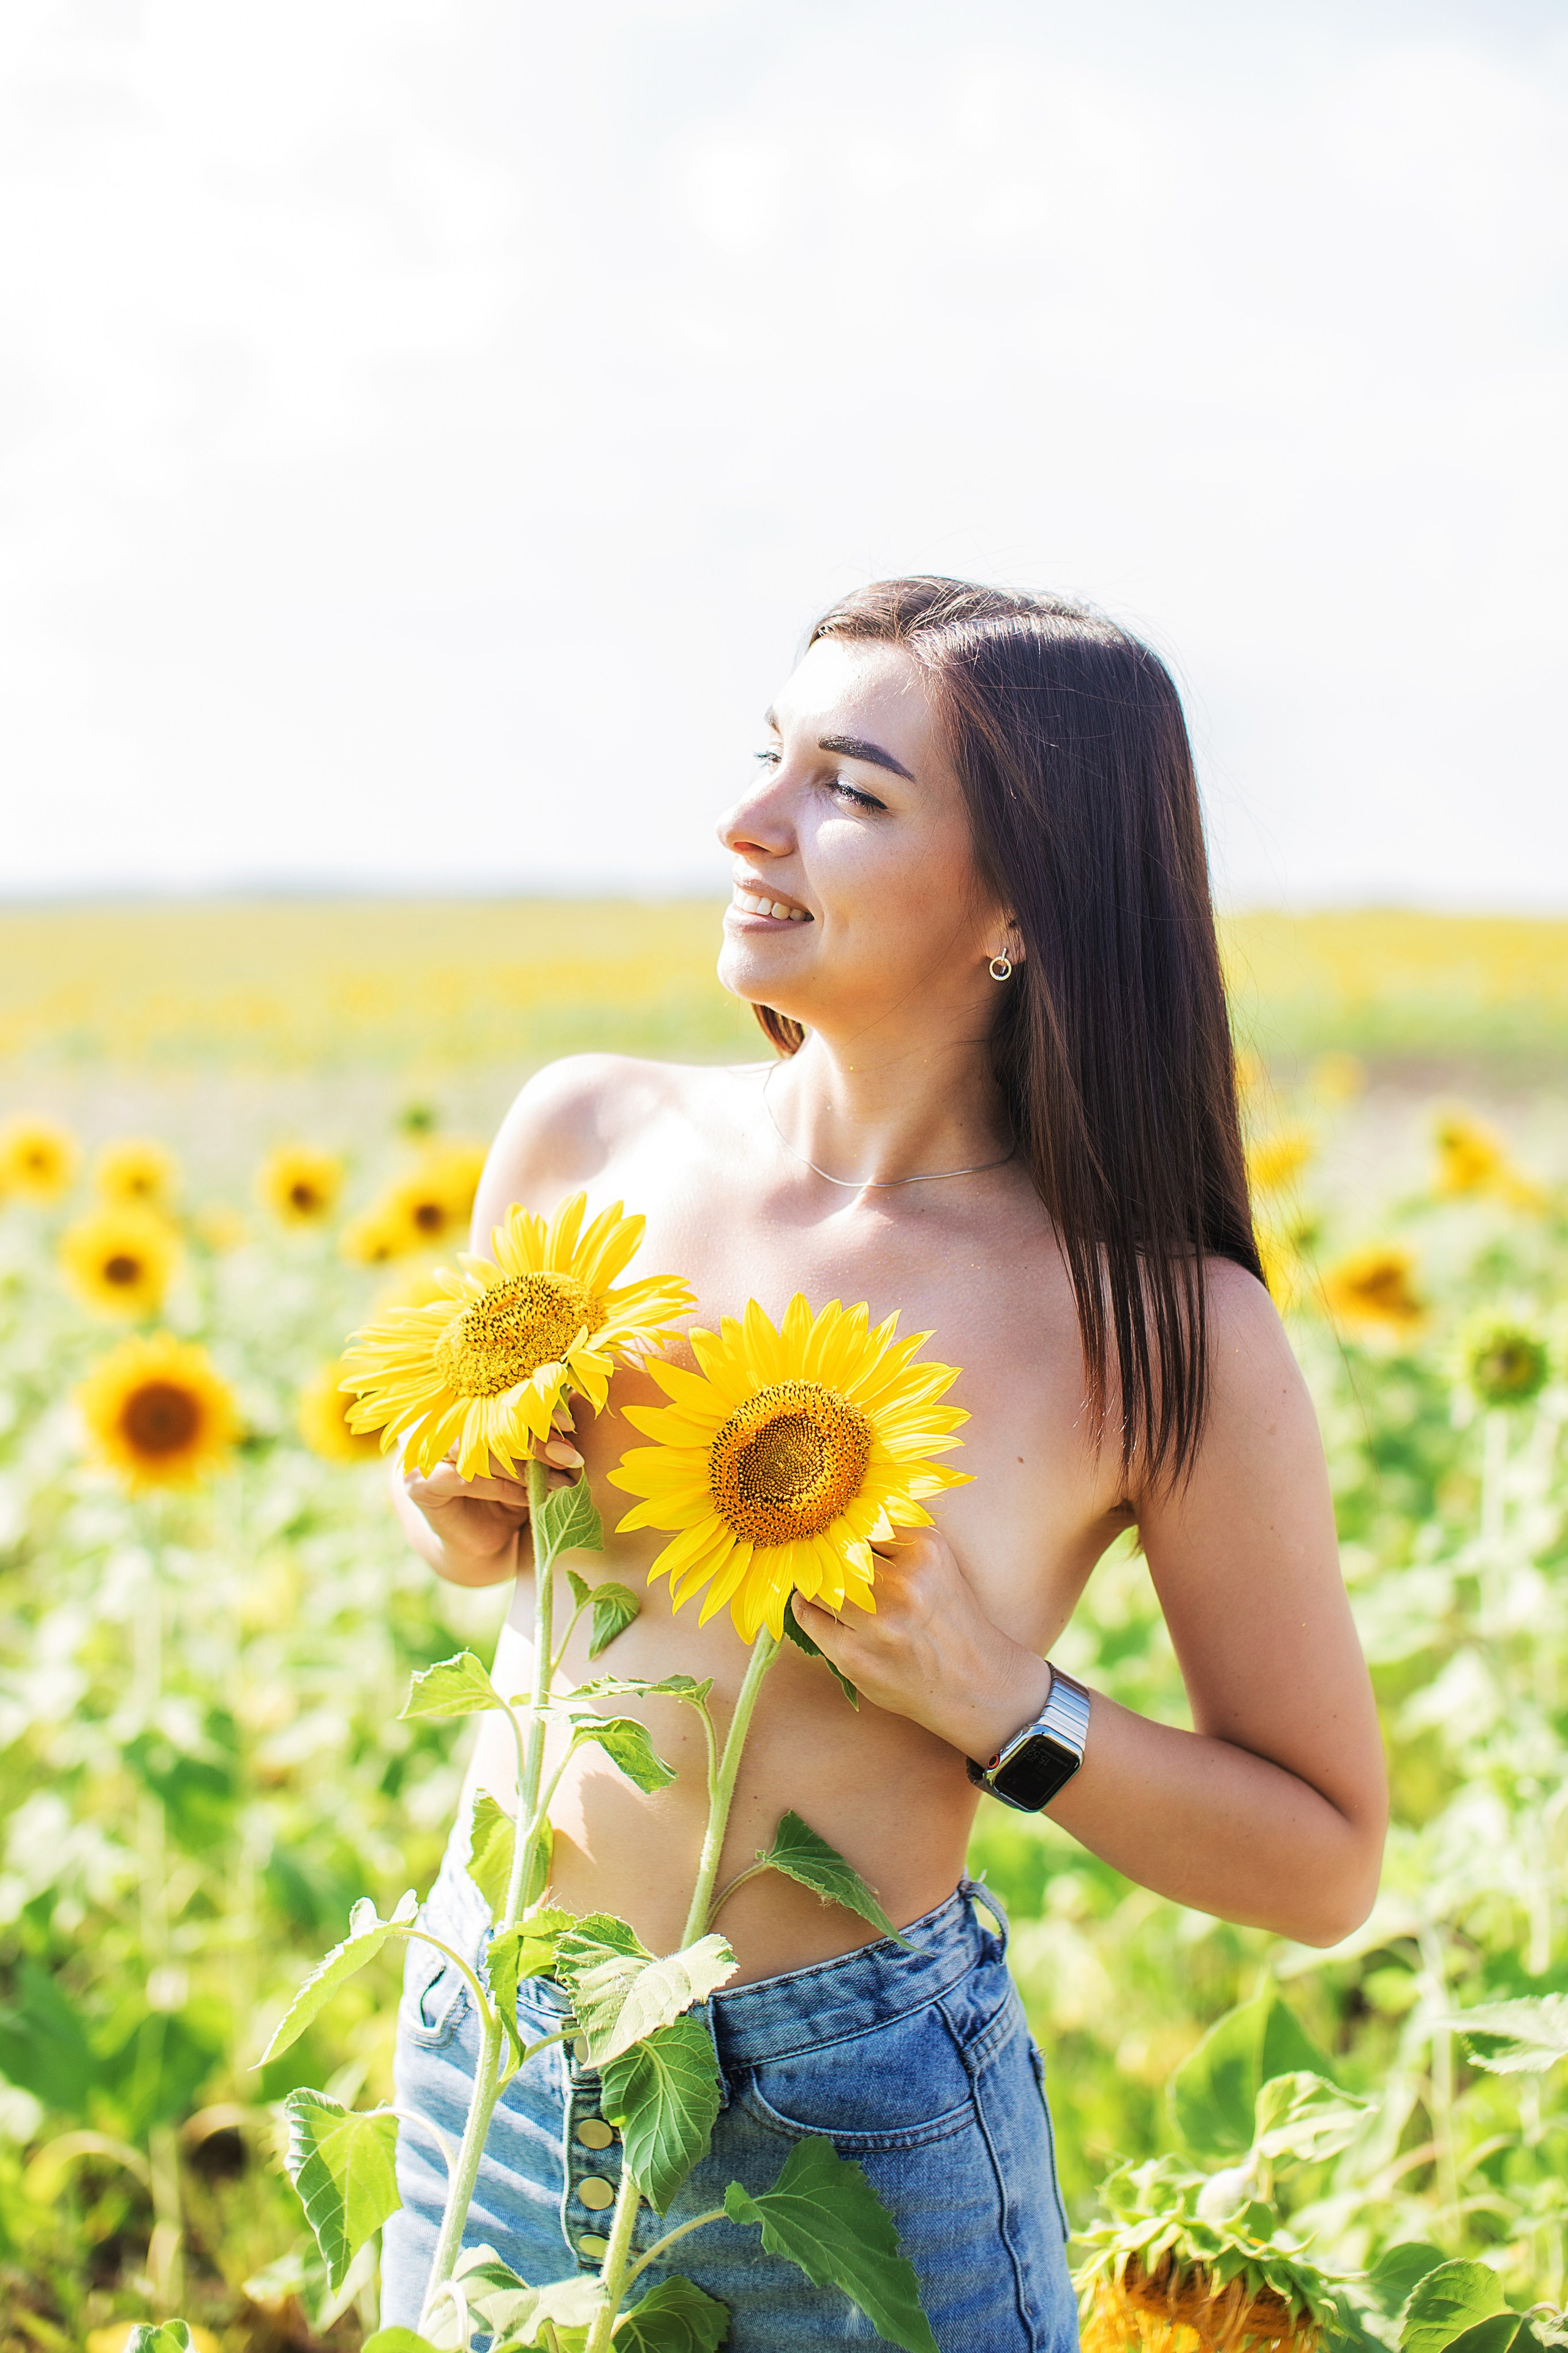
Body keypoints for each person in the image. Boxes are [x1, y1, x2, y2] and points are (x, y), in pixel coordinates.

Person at [379, 577, 1388, 2350]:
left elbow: (1322, 1861)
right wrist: (450, 1502)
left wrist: (1009, 1706)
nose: (747, 820)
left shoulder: (1158, 1321)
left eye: (847, 787)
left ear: (1024, 902)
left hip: (845, 2116)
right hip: (496, 2046)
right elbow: (494, 1552)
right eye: (768, 755)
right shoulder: (587, 1134)